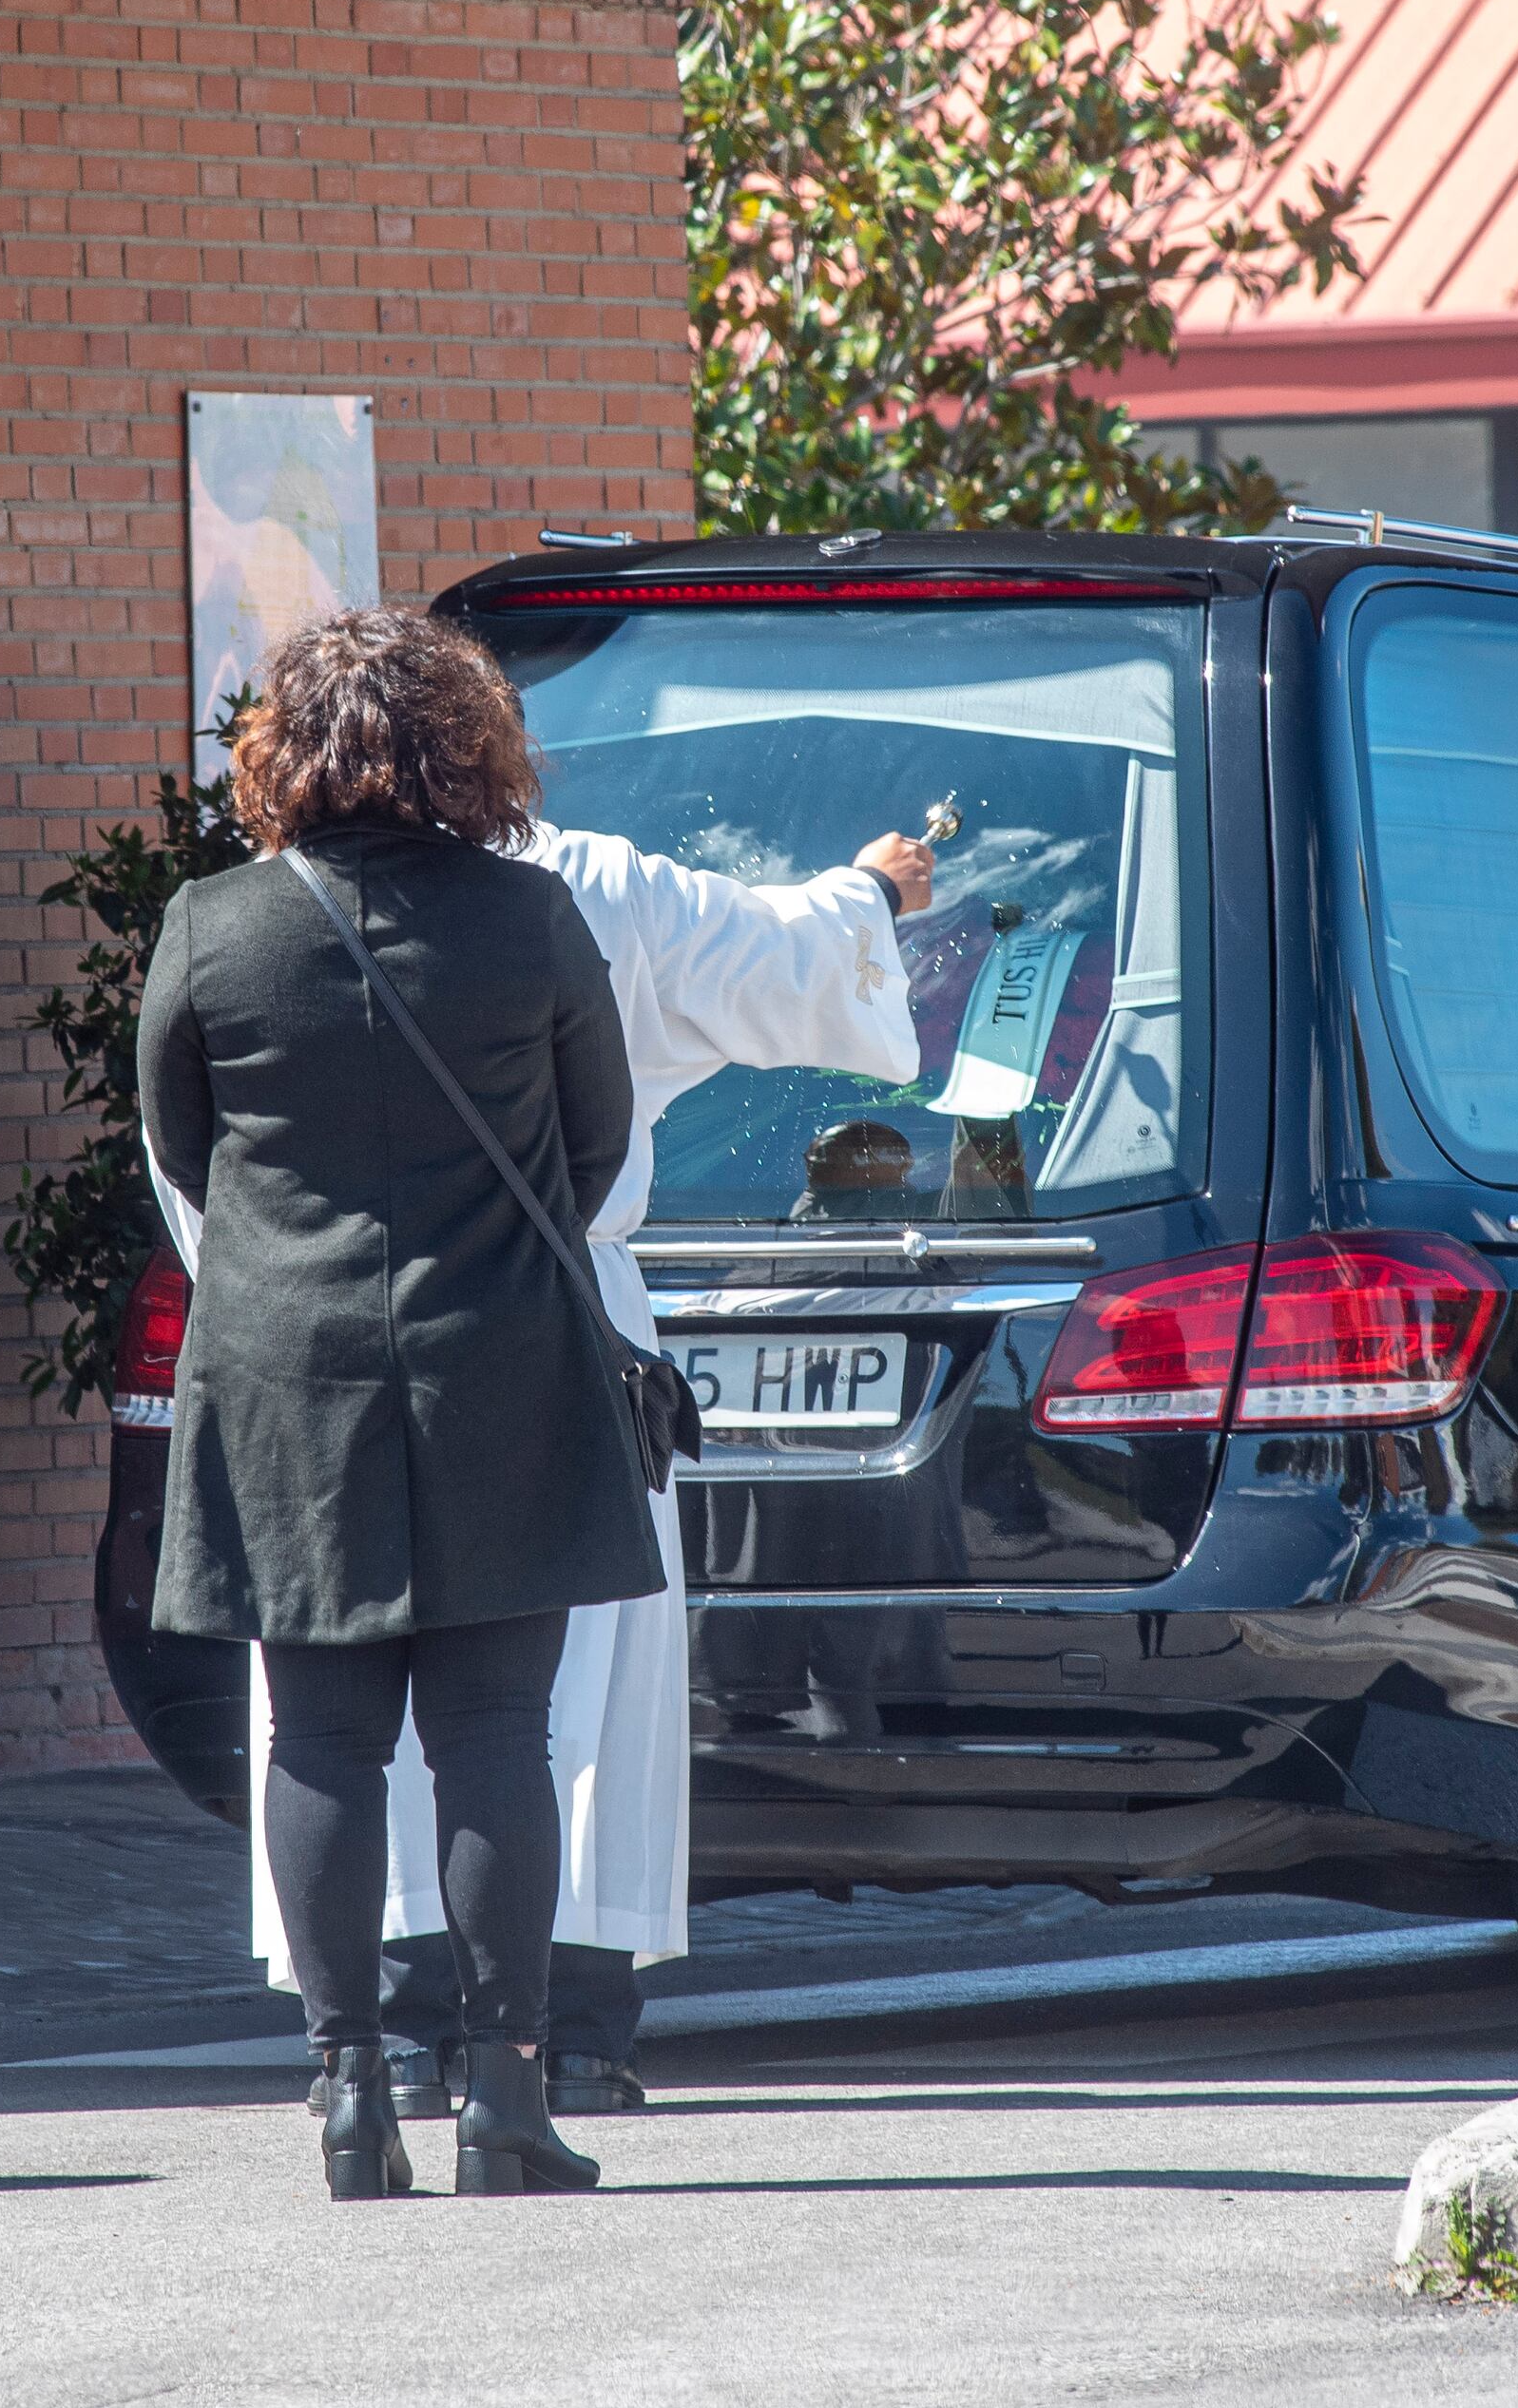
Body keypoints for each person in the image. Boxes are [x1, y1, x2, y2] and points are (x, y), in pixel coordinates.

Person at [138, 608, 663, 2199]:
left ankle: (348, 2088)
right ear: (465, 744)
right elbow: (593, 1149)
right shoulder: (535, 919)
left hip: (287, 1379)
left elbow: (182, 1141)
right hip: (501, 1363)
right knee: (501, 1732)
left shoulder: (212, 927)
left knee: (320, 1735)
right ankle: (504, 2095)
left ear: (283, 751)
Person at [321, 815, 931, 2114]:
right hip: (552, 1303)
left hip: (331, 1325)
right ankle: (568, 2030)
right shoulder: (583, 884)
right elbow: (778, 956)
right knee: (564, 1698)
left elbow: (194, 1156)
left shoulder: (265, 905)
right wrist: (869, 889)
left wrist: (274, 1290)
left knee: (350, 1695)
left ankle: (384, 2036)